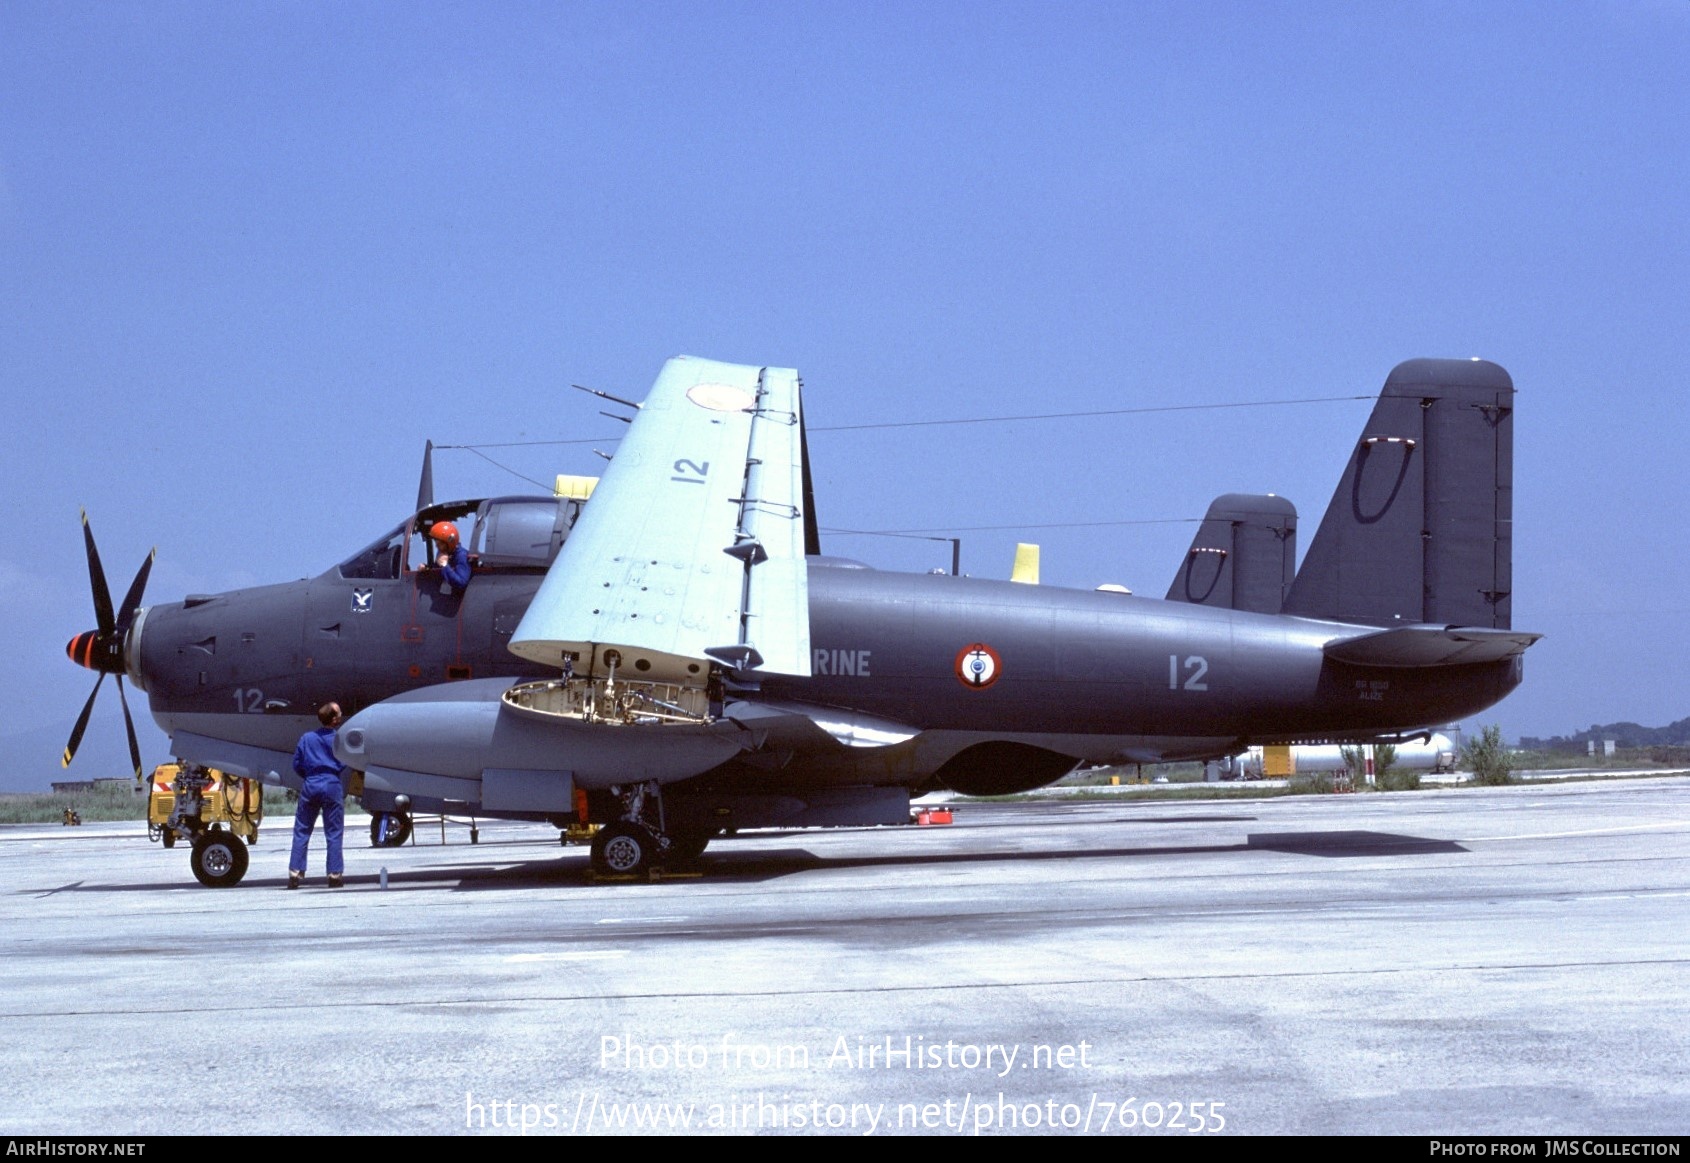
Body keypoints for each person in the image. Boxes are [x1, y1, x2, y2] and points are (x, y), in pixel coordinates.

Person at [289, 702, 348, 888]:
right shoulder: (339, 739)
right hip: (331, 783)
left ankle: (295, 873)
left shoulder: (307, 738)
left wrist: (309, 776)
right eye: (339, 713)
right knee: (333, 832)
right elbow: (346, 759)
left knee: (302, 829)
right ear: (335, 718)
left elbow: (296, 763)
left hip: (311, 783)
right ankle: (334, 874)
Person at [429, 521, 472, 590]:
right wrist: (426, 568)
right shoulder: (445, 554)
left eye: (440, 544)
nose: (437, 547)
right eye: (436, 544)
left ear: (449, 543)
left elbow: (461, 582)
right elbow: (436, 571)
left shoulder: (461, 556)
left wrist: (445, 566)